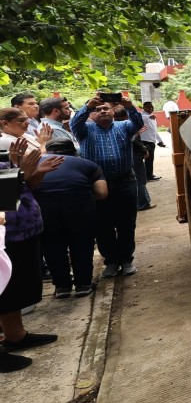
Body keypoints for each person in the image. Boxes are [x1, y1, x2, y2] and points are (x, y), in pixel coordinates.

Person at [0, 137, 62, 373]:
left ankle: (16, 335)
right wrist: (19, 172)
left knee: (11, 292)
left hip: (19, 232)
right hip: (7, 233)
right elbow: (3, 201)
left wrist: (30, 173)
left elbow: (24, 188)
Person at [71, 95, 144, 278]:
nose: (103, 111)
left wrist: (130, 106)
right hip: (97, 185)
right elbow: (75, 123)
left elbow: (137, 122)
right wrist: (88, 106)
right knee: (102, 225)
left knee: (127, 223)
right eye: (98, 110)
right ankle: (111, 261)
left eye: (106, 108)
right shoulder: (84, 130)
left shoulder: (124, 126)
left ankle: (126, 260)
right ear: (91, 115)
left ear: (113, 111)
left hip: (125, 182)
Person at [36, 139, 107, 299]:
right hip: (79, 208)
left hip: (45, 210)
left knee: (52, 247)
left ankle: (62, 287)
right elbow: (102, 193)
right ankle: (83, 284)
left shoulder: (35, 165)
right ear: (74, 152)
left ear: (47, 151)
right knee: (81, 244)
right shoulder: (87, 164)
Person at [139, 102, 166, 181]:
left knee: (150, 160)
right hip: (144, 141)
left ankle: (149, 174)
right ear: (144, 108)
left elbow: (154, 130)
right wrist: (149, 116)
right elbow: (141, 117)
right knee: (144, 159)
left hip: (151, 141)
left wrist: (160, 141)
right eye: (148, 107)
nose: (151, 109)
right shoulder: (142, 115)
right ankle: (146, 176)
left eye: (152, 107)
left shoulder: (152, 117)